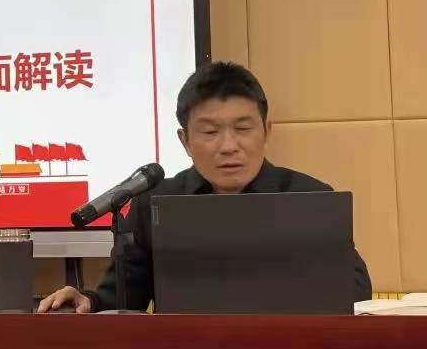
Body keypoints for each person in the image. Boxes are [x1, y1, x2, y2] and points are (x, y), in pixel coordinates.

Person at [38, 61, 373, 314]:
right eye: (210, 132)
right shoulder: (154, 202)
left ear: (267, 131)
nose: (228, 146)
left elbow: (356, 293)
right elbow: (123, 298)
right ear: (185, 140)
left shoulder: (309, 197)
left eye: (243, 128)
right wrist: (87, 301)